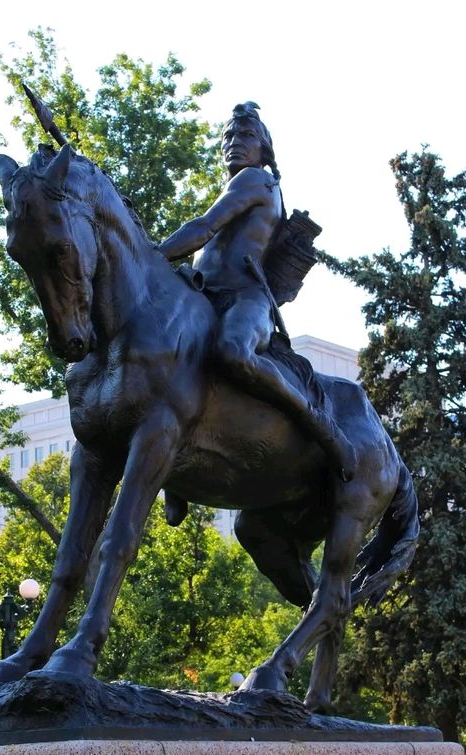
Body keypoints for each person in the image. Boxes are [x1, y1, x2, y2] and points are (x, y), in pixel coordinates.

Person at [158, 103, 356, 482]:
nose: (235, 143)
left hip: (244, 298)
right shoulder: (241, 184)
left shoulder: (254, 180)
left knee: (233, 351)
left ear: (265, 149)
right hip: (207, 293)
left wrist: (152, 253)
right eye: (228, 137)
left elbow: (204, 228)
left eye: (246, 136)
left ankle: (320, 426)